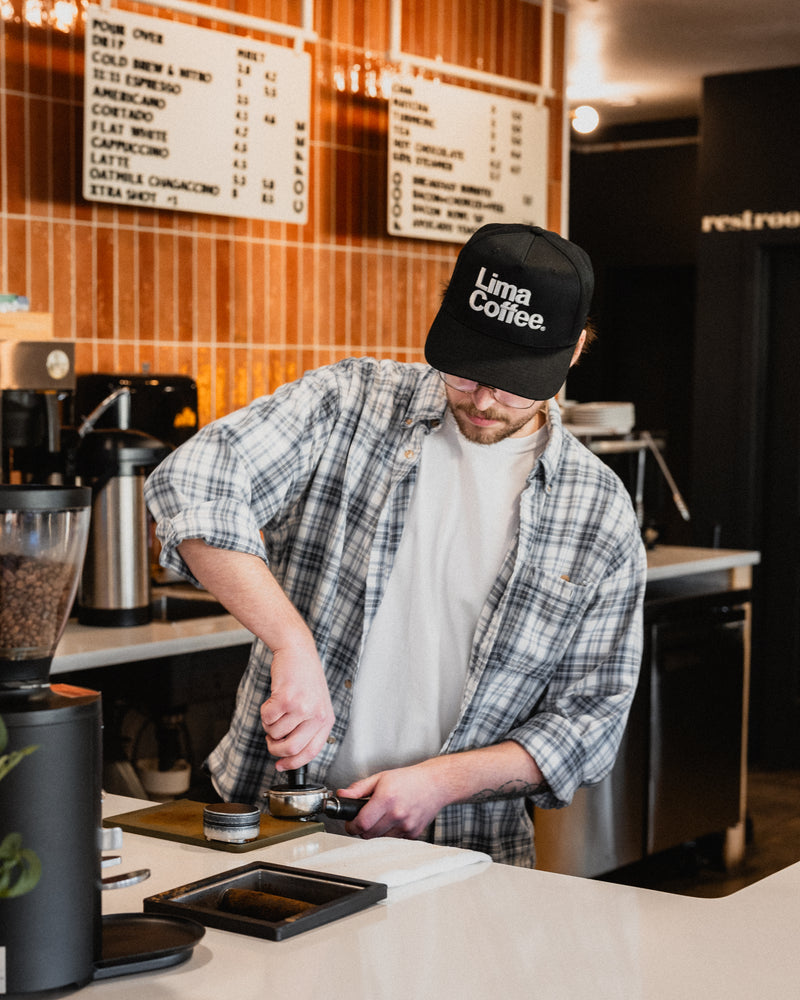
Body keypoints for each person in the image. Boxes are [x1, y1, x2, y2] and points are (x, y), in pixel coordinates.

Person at [145, 223, 647, 867]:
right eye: (467, 371)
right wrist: (289, 640)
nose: (486, 398)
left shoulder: (598, 510)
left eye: (516, 380)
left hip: (465, 856)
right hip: (271, 822)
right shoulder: (349, 402)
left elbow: (590, 722)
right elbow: (191, 482)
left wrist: (441, 782)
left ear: (575, 349)